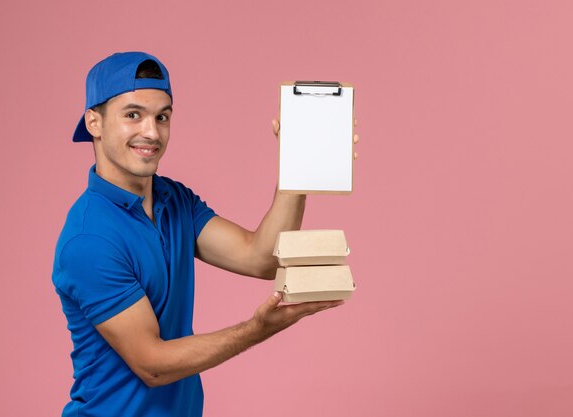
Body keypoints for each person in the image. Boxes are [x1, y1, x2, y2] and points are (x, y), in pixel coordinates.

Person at [52, 51, 358, 417]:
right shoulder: (90, 239)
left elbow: (259, 257)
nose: (151, 132)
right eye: (133, 114)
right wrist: (256, 329)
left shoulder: (174, 199)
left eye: (162, 116)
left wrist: (298, 167)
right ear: (94, 123)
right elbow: (153, 365)